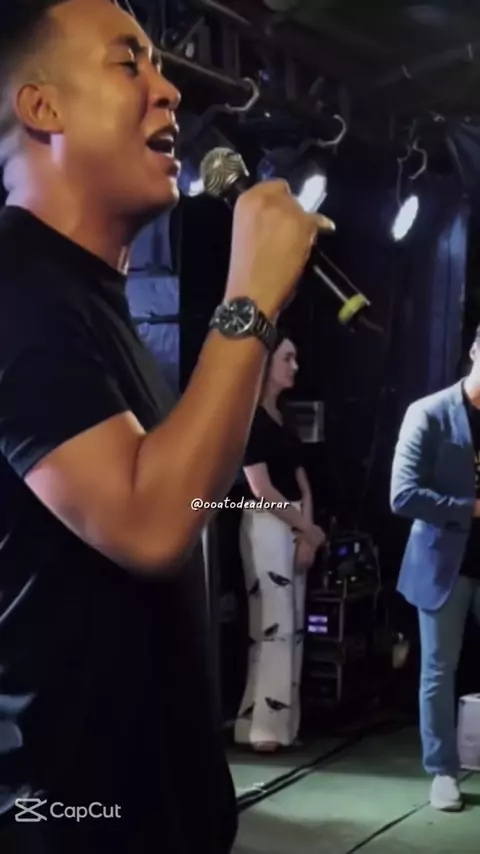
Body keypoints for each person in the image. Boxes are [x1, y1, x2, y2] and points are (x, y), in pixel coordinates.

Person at [0, 1, 334, 852]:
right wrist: (250, 298)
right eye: (129, 63)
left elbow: (181, 499)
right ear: (43, 107)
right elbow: (149, 524)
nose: (170, 90)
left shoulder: (87, 299)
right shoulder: (13, 283)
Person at [390, 325, 480, 813]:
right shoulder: (428, 412)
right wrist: (471, 509)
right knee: (438, 670)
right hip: (445, 563)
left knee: (441, 670)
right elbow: (402, 496)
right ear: (475, 351)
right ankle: (442, 771)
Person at [234, 332, 326, 751]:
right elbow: (261, 489)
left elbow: (302, 480)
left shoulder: (282, 416)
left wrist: (307, 531)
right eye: (287, 358)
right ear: (267, 362)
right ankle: (265, 729)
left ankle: (274, 725)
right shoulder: (249, 418)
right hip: (267, 524)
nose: (295, 366)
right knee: (274, 626)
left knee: (290, 626)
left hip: (291, 522)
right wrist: (305, 528)